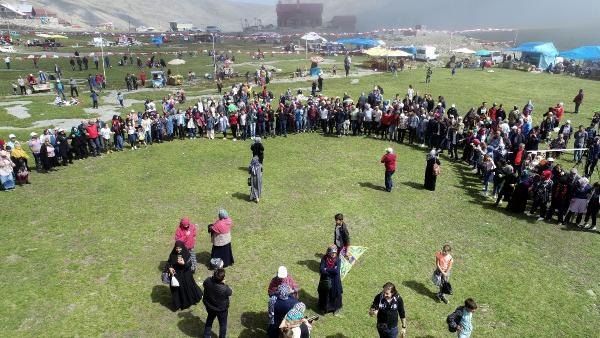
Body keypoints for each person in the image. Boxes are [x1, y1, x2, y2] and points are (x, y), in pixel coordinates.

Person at [165, 241, 203, 311]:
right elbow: (168, 263)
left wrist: (184, 264)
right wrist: (169, 268)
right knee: (177, 291)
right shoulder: (172, 254)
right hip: (176, 276)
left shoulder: (186, 253)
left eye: (180, 248)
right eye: (177, 248)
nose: (178, 250)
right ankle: (179, 304)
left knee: (187, 289)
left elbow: (190, 265)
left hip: (185, 276)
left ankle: (188, 302)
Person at [202, 268, 232, 338]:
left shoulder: (207, 280)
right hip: (221, 310)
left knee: (209, 320)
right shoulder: (224, 288)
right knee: (223, 324)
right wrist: (224, 284)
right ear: (222, 278)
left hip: (209, 306)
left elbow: (204, 284)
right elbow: (230, 292)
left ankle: (206, 335)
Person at [317, 245, 343, 315]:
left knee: (335, 294)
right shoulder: (324, 259)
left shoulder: (338, 260)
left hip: (335, 281)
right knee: (324, 294)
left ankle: (336, 308)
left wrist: (327, 269)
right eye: (332, 253)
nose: (334, 254)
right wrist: (331, 271)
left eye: (335, 253)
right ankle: (324, 308)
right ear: (328, 252)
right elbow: (321, 270)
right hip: (325, 280)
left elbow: (336, 271)